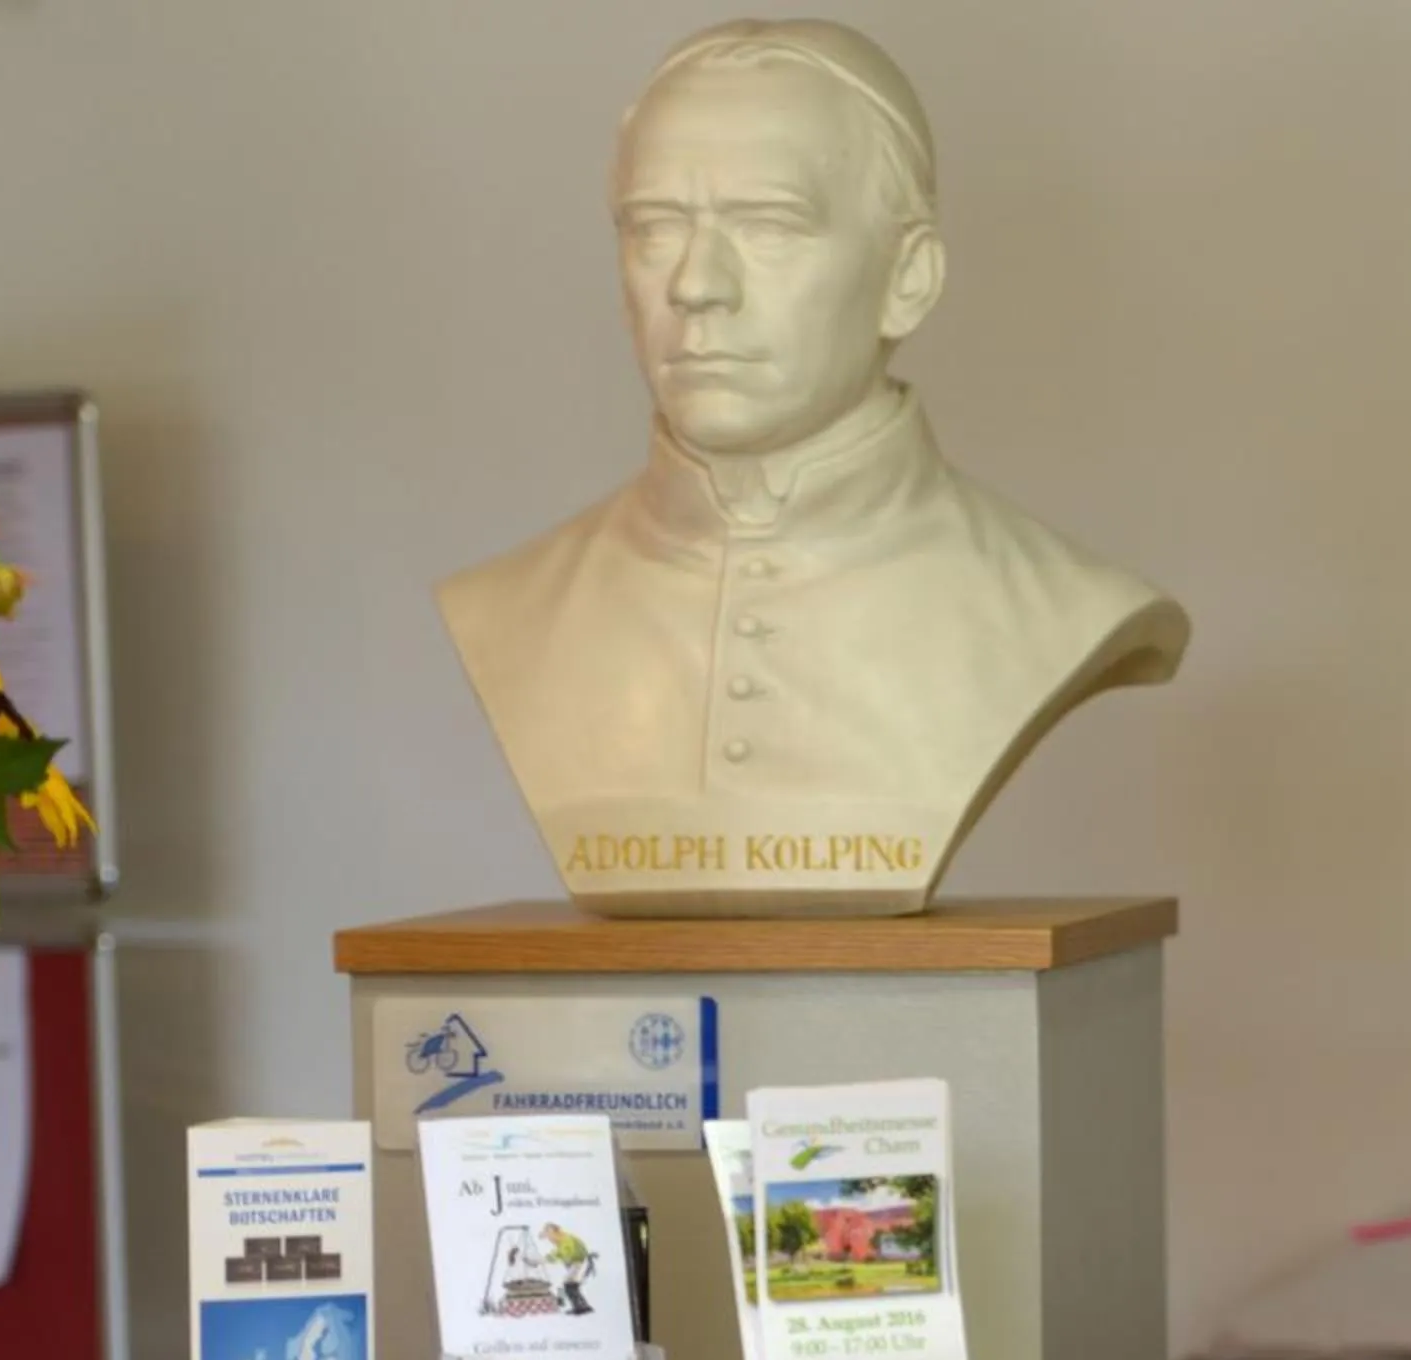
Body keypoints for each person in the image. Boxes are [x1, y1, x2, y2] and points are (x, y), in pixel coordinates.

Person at [436, 17, 1188, 914]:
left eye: (770, 225)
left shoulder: (1067, 608)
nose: (696, 284)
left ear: (908, 277)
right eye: (652, 229)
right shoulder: (510, 606)